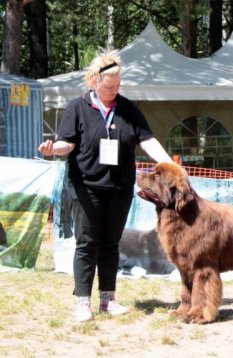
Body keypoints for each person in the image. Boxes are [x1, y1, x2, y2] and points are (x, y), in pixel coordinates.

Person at [37, 49, 173, 322]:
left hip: (120, 188)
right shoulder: (77, 108)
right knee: (87, 243)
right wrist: (53, 149)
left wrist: (168, 162)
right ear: (94, 82)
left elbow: (146, 139)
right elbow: (67, 144)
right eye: (109, 86)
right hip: (86, 187)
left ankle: (108, 299)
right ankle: (82, 302)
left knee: (111, 243)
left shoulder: (128, 109)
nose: (114, 90)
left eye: (118, 85)